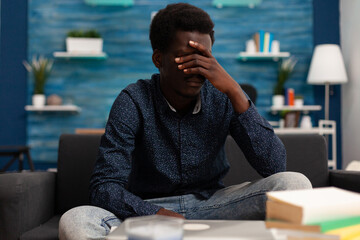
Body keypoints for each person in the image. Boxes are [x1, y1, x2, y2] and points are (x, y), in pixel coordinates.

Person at [59, 3, 311, 240]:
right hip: (147, 210)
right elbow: (104, 187)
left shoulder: (223, 97)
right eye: (185, 58)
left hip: (212, 205)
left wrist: (235, 91)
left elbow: (276, 166)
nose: (197, 69)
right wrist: (155, 214)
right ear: (159, 59)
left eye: (204, 58)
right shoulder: (133, 101)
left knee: (295, 184)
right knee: (77, 219)